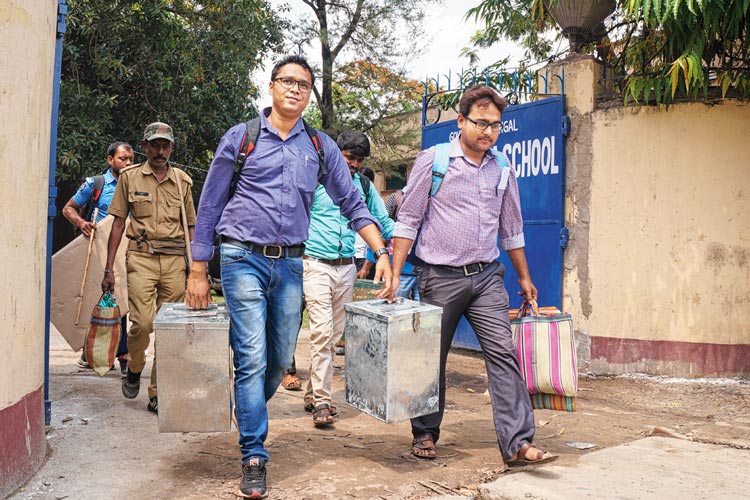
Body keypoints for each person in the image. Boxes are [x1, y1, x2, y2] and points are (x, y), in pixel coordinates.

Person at [185, 55, 392, 499]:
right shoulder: (242, 138)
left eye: (304, 84)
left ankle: (248, 404)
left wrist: (382, 252)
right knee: (253, 355)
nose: (295, 89)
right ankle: (254, 454)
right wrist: (198, 268)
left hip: (293, 263)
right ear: (272, 86)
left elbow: (353, 205)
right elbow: (209, 205)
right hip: (241, 258)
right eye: (288, 81)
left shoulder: (319, 147)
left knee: (279, 361)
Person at [386, 86, 557, 466]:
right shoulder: (434, 161)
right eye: (481, 123)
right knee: (431, 358)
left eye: (496, 125)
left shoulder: (502, 169)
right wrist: (395, 274)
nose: (489, 132)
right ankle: (425, 432)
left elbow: (512, 228)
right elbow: (408, 221)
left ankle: (517, 443)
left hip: (486, 280)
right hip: (439, 277)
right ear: (461, 121)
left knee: (503, 355)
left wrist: (524, 278)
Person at [101, 122, 196, 415]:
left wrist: (196, 269)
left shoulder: (183, 181)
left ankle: (158, 392)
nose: (160, 151)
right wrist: (108, 269)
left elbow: (190, 227)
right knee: (141, 323)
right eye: (154, 145)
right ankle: (135, 366)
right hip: (141, 258)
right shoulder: (129, 178)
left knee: (170, 330)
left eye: (165, 145)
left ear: (172, 148)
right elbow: (117, 224)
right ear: (144, 146)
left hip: (174, 261)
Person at [302, 131, 394, 426]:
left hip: (346, 269)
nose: (354, 164)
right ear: (336, 153)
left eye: (359, 160)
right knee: (321, 331)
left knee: (333, 336)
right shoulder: (315, 180)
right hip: (315, 263)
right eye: (349, 157)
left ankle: (313, 391)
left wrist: (411, 236)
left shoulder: (364, 187)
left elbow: (383, 222)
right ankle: (323, 401)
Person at [62, 141, 134, 376]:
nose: (128, 163)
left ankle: (101, 353)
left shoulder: (136, 182)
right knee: (109, 299)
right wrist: (81, 223)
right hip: (102, 251)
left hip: (130, 249)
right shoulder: (96, 184)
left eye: (131, 159)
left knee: (124, 301)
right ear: (110, 160)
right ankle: (114, 354)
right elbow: (68, 208)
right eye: (123, 159)